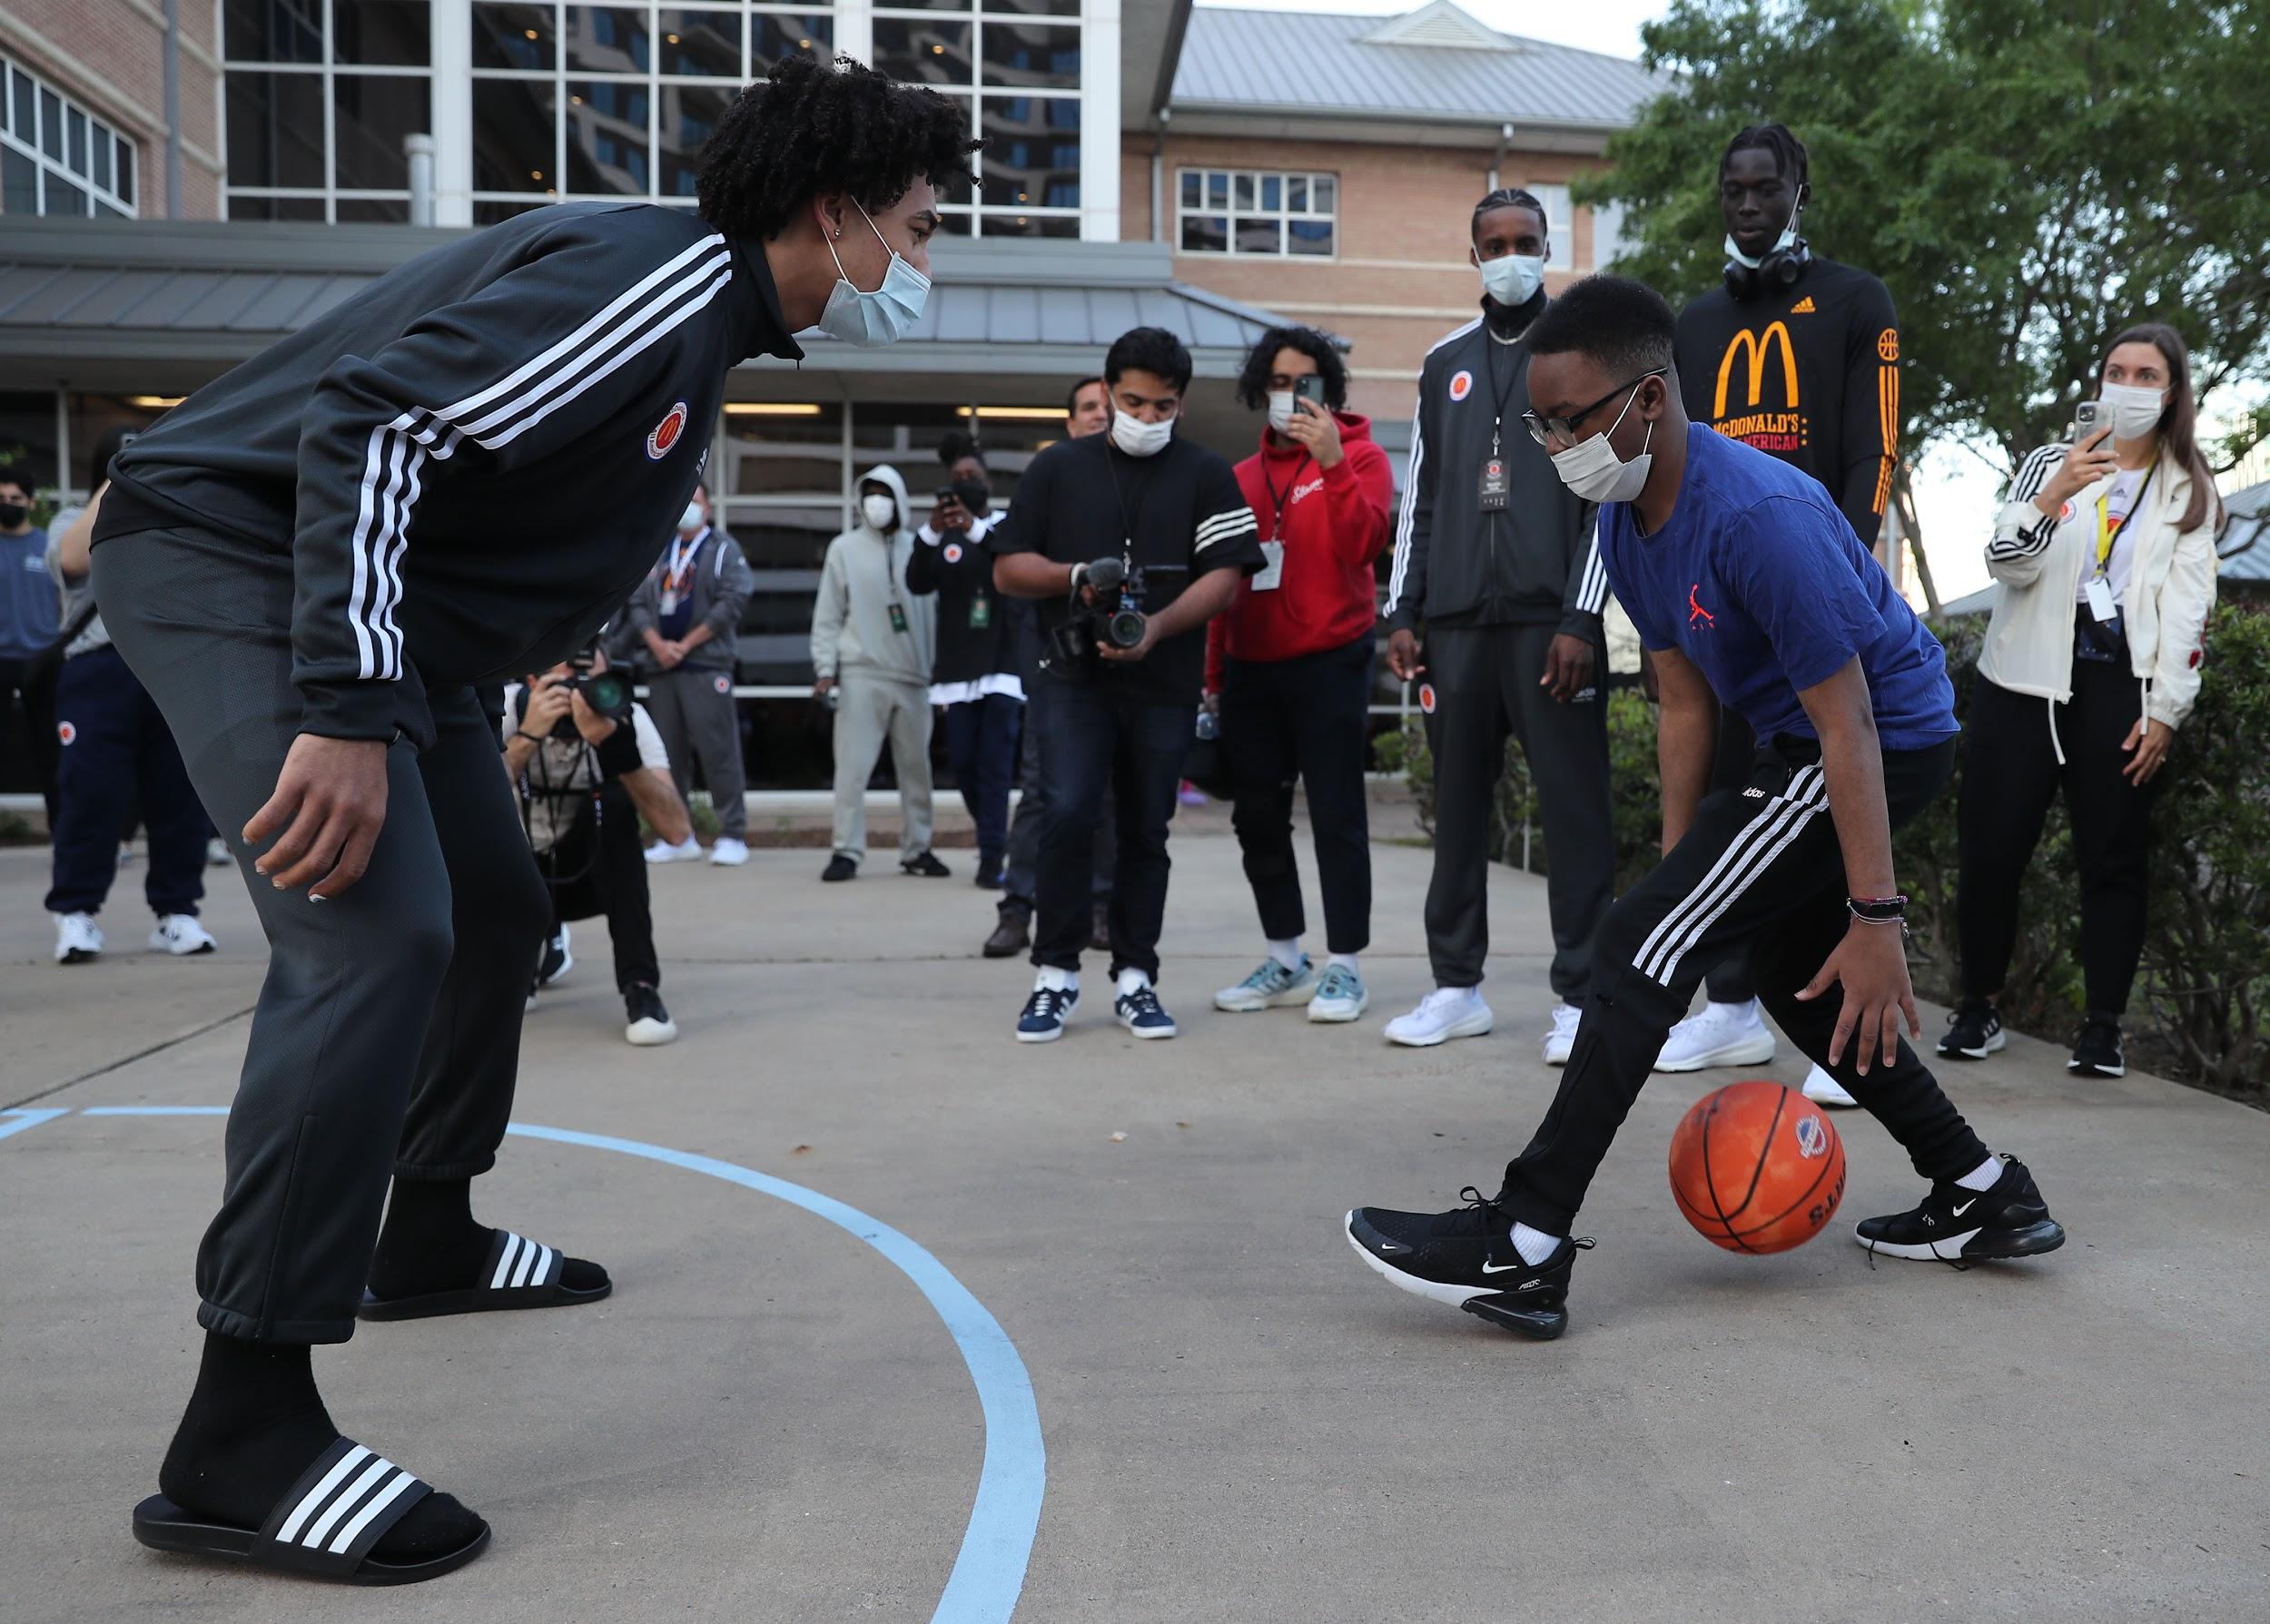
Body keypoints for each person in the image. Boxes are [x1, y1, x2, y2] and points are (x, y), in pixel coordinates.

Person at [88, 53, 972, 1584]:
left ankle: (421, 1230)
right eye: (915, 221)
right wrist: (354, 708)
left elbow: (500, 495)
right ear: (833, 214)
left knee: (496, 908)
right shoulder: (662, 284)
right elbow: (378, 431)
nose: (924, 260)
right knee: (371, 933)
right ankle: (241, 1427)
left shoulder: (693, 315)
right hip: (237, 552)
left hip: (402, 625)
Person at [1347, 276, 2064, 1340]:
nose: (1552, 444)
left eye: (1571, 419)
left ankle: (1527, 1242)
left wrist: (1876, 918)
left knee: (1640, 940)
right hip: (1801, 744)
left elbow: (1852, 727)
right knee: (1779, 972)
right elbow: (1682, 698)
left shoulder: (1758, 517)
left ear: (1648, 398)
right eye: (1538, 424)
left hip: (1884, 740)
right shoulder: (1625, 519)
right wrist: (1689, 874)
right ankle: (1981, 1187)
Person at [1663, 123, 1903, 1107]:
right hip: (1721, 599)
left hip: (1818, 588)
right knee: (1735, 792)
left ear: (1799, 190)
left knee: (1832, 793)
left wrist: (1842, 573)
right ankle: (1726, 1005)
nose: (1749, 203)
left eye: (1767, 187)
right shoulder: (1690, 320)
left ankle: (1847, 1011)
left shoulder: (1856, 299)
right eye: (1734, 189)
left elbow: (1871, 447)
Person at [1379, 188, 1616, 1060]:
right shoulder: (1444, 362)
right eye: (1495, 243)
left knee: (1575, 812)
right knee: (1460, 814)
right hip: (1455, 627)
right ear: (1472, 256)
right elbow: (1424, 500)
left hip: (1549, 625)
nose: (1511, 255)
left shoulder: (1584, 356)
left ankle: (1583, 995)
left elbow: (1606, 502)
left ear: (1548, 249)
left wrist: (1581, 616)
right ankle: (1455, 987)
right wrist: (1403, 609)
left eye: (1526, 241)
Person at [1949, 323, 2219, 1079]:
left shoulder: (2186, 488)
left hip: (2115, 688)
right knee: (1992, 850)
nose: (2128, 386)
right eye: (2116, 370)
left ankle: (2103, 1027)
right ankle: (1979, 1006)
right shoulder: (2051, 461)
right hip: (2021, 681)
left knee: (2113, 857)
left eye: (2146, 375)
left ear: (2171, 394)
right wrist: (2054, 492)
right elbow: (2005, 563)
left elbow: (2188, 611)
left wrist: (2165, 709)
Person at [991, 327, 1265, 1041]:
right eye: (1133, 402)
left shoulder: (1206, 472)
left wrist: (1158, 627)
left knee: (1147, 827)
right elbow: (1007, 568)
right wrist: (1076, 577)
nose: (1146, 419)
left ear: (1181, 403)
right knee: (1070, 811)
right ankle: (1054, 973)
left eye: (1162, 406)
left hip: (1165, 679)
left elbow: (1229, 575)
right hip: (1072, 677)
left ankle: (1136, 975)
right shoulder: (1058, 469)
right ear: (1107, 393)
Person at [1205, 326, 1394, 1023]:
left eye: (1304, 382)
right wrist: (1214, 678)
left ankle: (1345, 965)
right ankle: (1286, 956)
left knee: (1337, 815)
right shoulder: (1239, 479)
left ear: (1328, 391)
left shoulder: (1364, 457)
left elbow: (1364, 546)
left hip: (1331, 662)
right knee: (1257, 816)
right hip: (1252, 670)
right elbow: (1224, 586)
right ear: (1261, 390)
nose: (1290, 395)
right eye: (1278, 382)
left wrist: (1334, 464)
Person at [44, 429, 216, 963]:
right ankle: (75, 914)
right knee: (91, 796)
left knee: (181, 799)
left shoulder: (178, 517)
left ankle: (177, 913)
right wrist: (124, 476)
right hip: (96, 672)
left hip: (171, 669)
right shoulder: (72, 515)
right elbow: (72, 561)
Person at [992, 375, 1117, 959]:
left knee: (1109, 793)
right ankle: (1018, 908)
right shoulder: (1049, 480)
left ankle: (1098, 907)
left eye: (1108, 407)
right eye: (1089, 407)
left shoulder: (1137, 484)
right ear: (1070, 423)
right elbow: (1011, 569)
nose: (1100, 414)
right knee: (1043, 789)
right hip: (1055, 664)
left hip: (1125, 661)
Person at [505, 652, 681, 1046]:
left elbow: (676, 830)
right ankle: (525, 962)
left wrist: (619, 752)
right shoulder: (509, 706)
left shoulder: (626, 717)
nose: (578, 691)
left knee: (617, 808)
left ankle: (640, 987)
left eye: (590, 680)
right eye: (567, 677)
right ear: (534, 681)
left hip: (589, 870)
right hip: (518, 876)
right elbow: (468, 806)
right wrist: (527, 736)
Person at [810, 464, 947, 881]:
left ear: (900, 499)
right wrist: (825, 668)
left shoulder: (920, 547)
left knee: (917, 770)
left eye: (884, 493)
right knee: (852, 769)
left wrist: (942, 678)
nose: (876, 502)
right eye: (868, 493)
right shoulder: (843, 549)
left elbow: (942, 616)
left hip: (915, 677)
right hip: (860, 672)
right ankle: (846, 850)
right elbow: (828, 616)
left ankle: (917, 848)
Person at [906, 431, 1020, 889]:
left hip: (1001, 669)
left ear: (987, 481)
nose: (965, 482)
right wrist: (933, 530)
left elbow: (1005, 564)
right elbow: (916, 582)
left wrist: (973, 525)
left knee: (995, 767)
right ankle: (993, 837)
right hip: (955, 673)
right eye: (957, 478)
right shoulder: (944, 538)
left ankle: (992, 856)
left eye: (972, 475)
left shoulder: (1007, 526)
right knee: (966, 768)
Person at [623, 481, 755, 867]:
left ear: (709, 508)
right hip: (662, 666)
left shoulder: (723, 550)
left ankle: (732, 834)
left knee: (719, 752)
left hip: (706, 664)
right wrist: (658, 644)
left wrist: (687, 644)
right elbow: (636, 602)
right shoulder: (660, 549)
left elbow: (733, 600)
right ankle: (677, 835)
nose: (689, 508)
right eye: (685, 501)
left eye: (696, 501)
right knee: (668, 754)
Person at [0, 470, 61, 829]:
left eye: (15, 499)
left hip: (42, 660)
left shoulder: (48, 546)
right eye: (1, 499)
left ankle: (61, 830)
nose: (7, 505)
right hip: (1, 659)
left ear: (31, 503)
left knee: (51, 752)